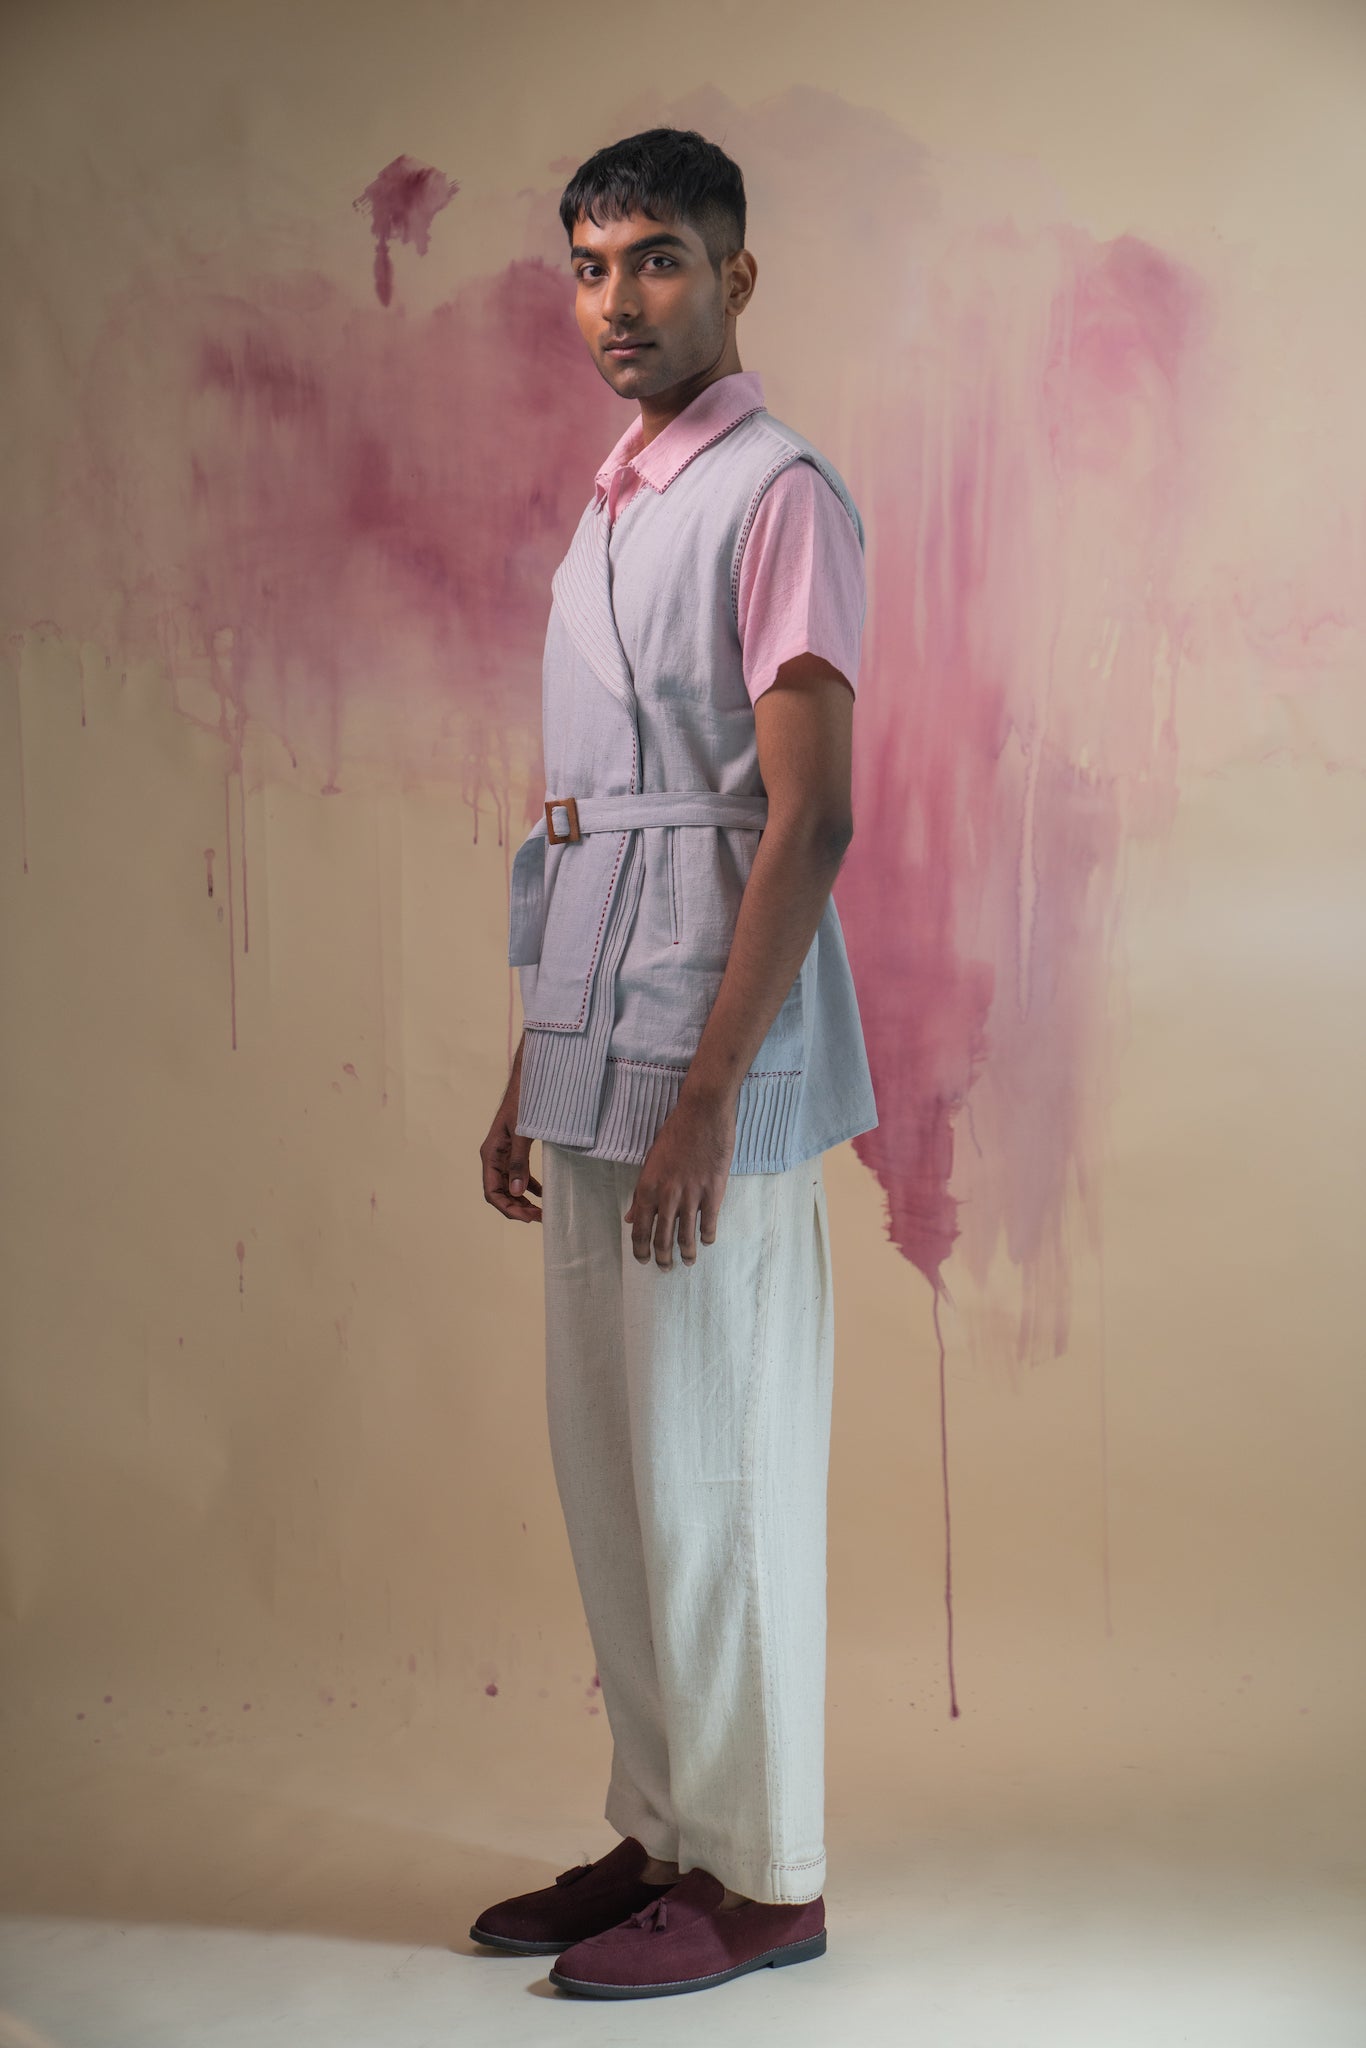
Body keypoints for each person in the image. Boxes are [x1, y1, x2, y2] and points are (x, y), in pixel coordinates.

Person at [472, 125, 878, 2000]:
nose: (614, 300)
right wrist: (531, 1055)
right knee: (614, 1469)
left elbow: (807, 819)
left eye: (652, 260)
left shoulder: (775, 494)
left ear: (732, 277)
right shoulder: (616, 501)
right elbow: (597, 813)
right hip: (592, 1030)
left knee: (717, 1473)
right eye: (588, 265)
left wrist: (714, 1092)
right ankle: (665, 1831)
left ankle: (766, 1875)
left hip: (714, 1047)